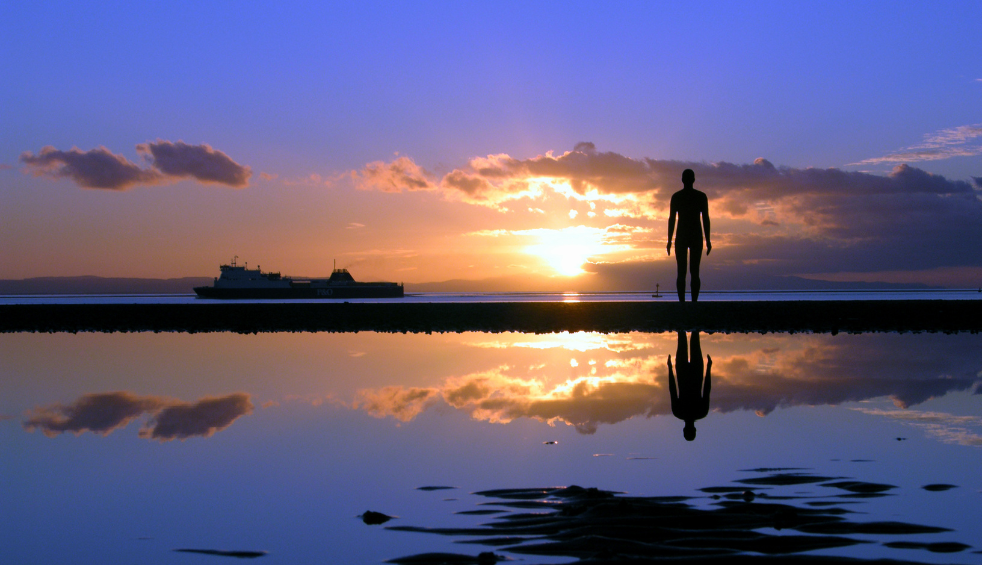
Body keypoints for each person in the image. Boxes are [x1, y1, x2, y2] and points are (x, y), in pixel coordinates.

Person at [667, 169, 711, 302]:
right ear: (693, 180)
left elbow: (672, 219)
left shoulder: (678, 197)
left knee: (684, 271)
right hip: (693, 236)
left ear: (682, 180)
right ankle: (692, 302)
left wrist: (669, 240)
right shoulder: (700, 197)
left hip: (685, 236)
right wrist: (708, 239)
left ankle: (685, 302)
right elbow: (706, 219)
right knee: (692, 271)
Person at [667, 330, 712, 441]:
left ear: (695, 430)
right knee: (684, 338)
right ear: (684, 430)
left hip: (695, 373)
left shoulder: (702, 412)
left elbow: (707, 389)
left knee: (693, 337)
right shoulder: (678, 412)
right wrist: (670, 368)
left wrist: (709, 368)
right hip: (684, 373)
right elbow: (672, 389)